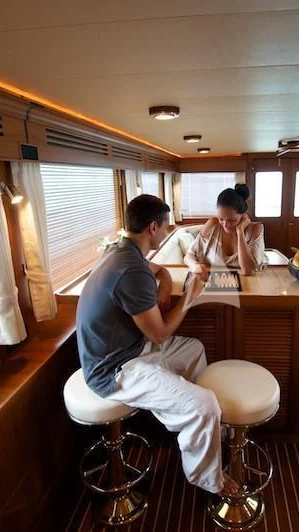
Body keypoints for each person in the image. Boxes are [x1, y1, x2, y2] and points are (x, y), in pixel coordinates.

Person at [75, 194, 239, 497]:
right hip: (114, 369)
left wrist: (165, 285)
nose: (169, 229)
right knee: (205, 405)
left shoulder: (122, 250)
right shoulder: (129, 269)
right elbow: (160, 335)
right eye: (166, 225)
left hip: (130, 348)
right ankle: (206, 476)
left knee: (194, 349)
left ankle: (195, 428)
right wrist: (188, 297)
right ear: (153, 227)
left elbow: (159, 270)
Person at [184, 184, 265, 278]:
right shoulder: (212, 224)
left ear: (243, 215)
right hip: (212, 282)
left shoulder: (255, 229)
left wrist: (240, 231)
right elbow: (189, 255)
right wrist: (195, 266)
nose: (225, 225)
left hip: (247, 284)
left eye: (231, 220)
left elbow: (248, 270)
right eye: (221, 219)